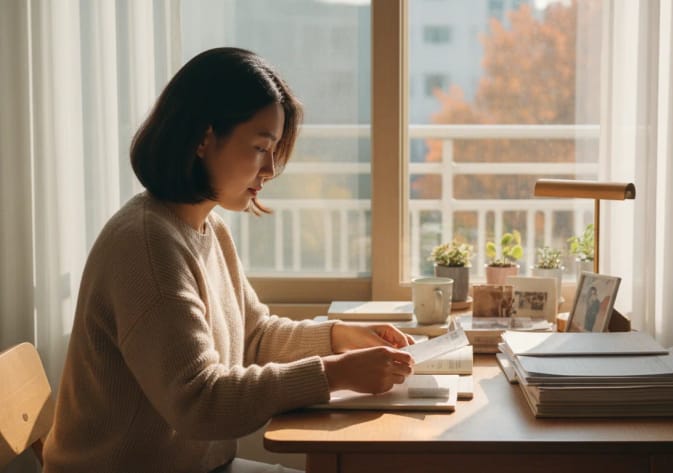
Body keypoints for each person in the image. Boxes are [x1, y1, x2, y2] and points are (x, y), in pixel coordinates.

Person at [43, 47, 415, 473]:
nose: (272, 168)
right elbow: (199, 402)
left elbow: (253, 337)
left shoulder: (207, 227)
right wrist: (335, 374)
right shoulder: (147, 246)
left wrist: (338, 337)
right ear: (203, 138)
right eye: (261, 147)